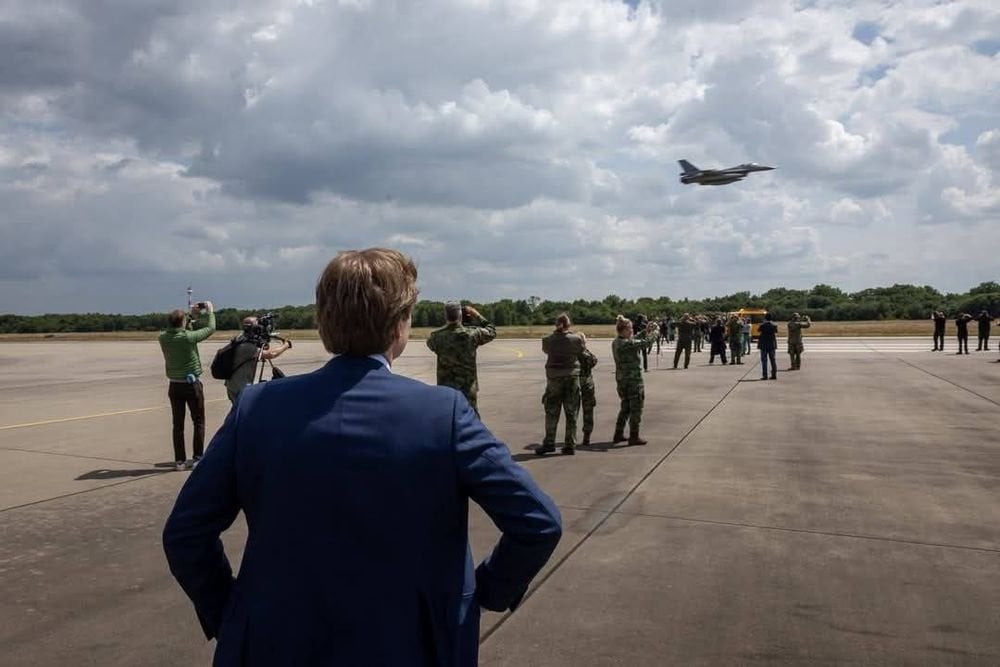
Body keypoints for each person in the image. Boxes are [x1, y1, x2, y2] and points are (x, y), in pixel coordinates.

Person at [162, 248, 561, 666]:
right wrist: (480, 598)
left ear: (324, 322)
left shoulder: (256, 408)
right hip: (411, 646)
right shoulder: (444, 413)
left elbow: (186, 534)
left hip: (274, 642)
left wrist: (232, 614)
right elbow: (537, 523)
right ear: (400, 324)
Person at [158, 301, 216, 470]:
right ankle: (197, 457)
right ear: (183, 323)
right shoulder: (188, 337)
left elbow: (179, 328)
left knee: (178, 424)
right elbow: (210, 329)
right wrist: (210, 311)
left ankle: (180, 461)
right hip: (191, 385)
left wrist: (190, 316)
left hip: (174, 386)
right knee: (198, 421)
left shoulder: (163, 337)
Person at [426, 302, 497, 415]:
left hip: (446, 390)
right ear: (460, 315)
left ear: (446, 316)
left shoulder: (436, 337)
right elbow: (492, 331)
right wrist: (476, 314)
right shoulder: (472, 334)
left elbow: (432, 344)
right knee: (471, 422)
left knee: (448, 421)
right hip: (467, 390)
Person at [539, 314, 585, 456]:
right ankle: (570, 444)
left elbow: (546, 350)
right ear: (568, 325)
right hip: (571, 377)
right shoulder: (576, 339)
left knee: (552, 412)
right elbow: (581, 350)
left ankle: (549, 443)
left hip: (554, 379)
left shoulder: (548, 340)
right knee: (571, 413)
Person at [224, 317, 292, 404]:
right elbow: (271, 354)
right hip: (240, 387)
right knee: (246, 411)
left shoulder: (239, 338)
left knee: (239, 410)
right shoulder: (246, 345)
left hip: (232, 384)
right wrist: (286, 345)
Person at [612, 314, 654, 446]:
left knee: (625, 408)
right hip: (633, 381)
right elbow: (645, 343)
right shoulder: (626, 344)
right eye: (629, 329)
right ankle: (634, 436)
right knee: (636, 408)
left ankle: (618, 434)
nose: (631, 331)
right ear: (623, 330)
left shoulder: (617, 342)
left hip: (622, 381)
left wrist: (644, 331)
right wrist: (655, 332)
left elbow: (634, 339)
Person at [578, 343, 598, 447]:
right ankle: (587, 436)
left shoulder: (571, 353)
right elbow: (594, 361)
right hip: (587, 383)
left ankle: (570, 438)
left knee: (572, 412)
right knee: (588, 410)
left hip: (574, 383)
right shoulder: (586, 354)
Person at [757, 312, 778, 380]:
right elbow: (776, 331)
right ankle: (774, 374)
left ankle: (765, 375)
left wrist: (763, 323)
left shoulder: (762, 325)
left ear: (765, 318)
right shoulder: (774, 325)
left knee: (764, 361)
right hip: (771, 344)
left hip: (764, 344)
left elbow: (758, 330)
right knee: (773, 360)